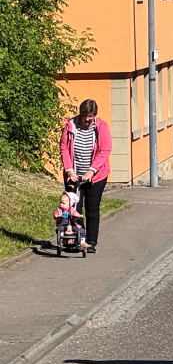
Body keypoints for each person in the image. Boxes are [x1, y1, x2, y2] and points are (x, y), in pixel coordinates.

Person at [59, 99, 112, 254]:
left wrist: (91, 171)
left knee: (92, 208)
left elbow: (105, 150)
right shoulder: (70, 125)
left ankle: (91, 241)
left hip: (96, 175)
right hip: (74, 175)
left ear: (94, 115)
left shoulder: (101, 127)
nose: (88, 119)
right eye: (85, 116)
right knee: (73, 207)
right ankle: (77, 238)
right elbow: (64, 148)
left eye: (91, 116)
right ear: (80, 114)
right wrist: (69, 170)